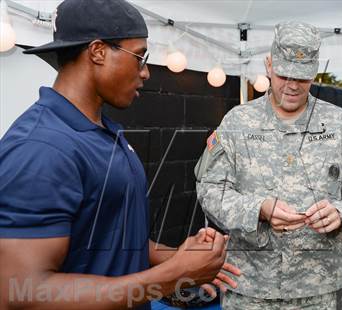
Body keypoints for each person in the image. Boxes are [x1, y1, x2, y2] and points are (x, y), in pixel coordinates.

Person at [0, 1, 240, 309]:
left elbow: (110, 239)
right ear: (98, 52)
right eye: (139, 56)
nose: (146, 72)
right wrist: (172, 275)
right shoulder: (40, 148)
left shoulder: (104, 133)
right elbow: (23, 293)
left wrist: (179, 257)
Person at [195, 21, 342, 309]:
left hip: (316, 289)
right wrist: (259, 209)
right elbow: (210, 190)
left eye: (303, 77)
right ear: (269, 65)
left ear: (315, 72)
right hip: (249, 286)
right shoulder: (237, 122)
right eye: (284, 74)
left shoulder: (340, 124)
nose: (293, 85)